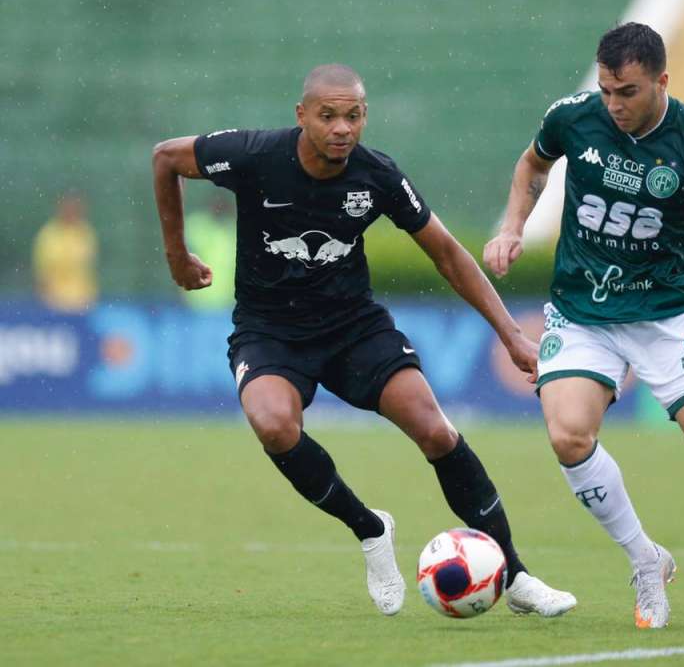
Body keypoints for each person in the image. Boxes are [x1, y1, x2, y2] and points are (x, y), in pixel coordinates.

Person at [150, 64, 575, 618]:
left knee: (435, 430)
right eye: (327, 116)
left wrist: (512, 334)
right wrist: (177, 255)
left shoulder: (377, 176)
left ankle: (515, 575)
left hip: (354, 329)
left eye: (352, 116)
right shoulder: (253, 155)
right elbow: (165, 159)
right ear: (301, 116)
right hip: (270, 332)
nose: (341, 128)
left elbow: (446, 253)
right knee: (274, 425)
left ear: (364, 116)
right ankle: (371, 530)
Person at [484, 23, 684, 630]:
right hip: (582, 312)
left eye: (625, 91)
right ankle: (645, 561)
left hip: (665, 315)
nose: (613, 105)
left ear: (661, 81)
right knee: (568, 435)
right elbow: (532, 166)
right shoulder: (573, 117)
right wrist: (513, 226)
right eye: (606, 90)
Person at [32, 190, 98, 313]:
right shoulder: (48, 235)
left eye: (75, 208)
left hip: (82, 301)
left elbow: (88, 267)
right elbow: (42, 271)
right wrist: (45, 298)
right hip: (55, 301)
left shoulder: (86, 232)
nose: (71, 212)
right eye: (68, 207)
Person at [182, 195, 235, 311]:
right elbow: (180, 259)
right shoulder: (197, 225)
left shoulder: (233, 229)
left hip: (228, 303)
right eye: (217, 204)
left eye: (223, 205)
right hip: (197, 301)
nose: (220, 208)